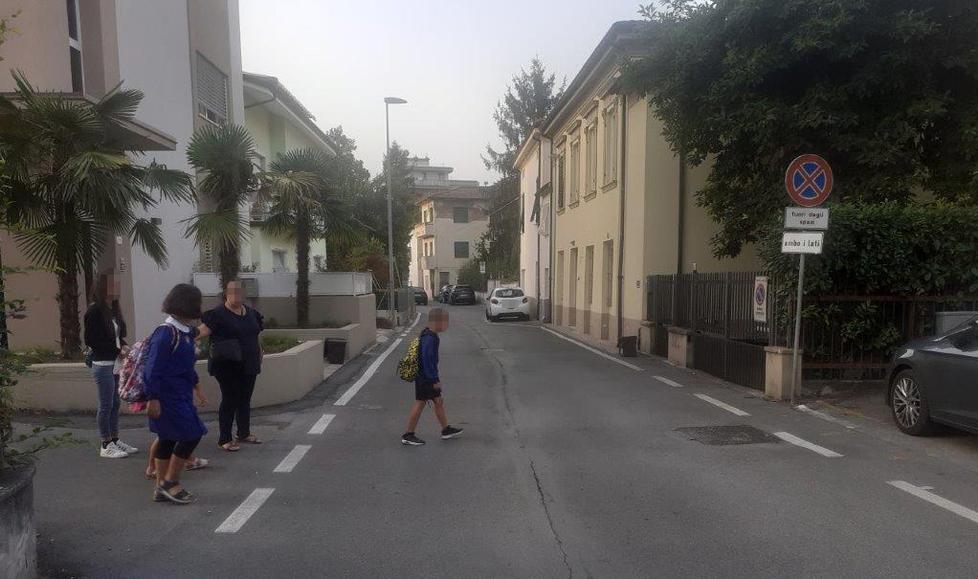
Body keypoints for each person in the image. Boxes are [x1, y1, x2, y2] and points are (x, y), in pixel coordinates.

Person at [145, 284, 207, 505]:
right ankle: (170, 481)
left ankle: (162, 485)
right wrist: (152, 397)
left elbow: (187, 363)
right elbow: (152, 368)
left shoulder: (184, 332)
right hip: (167, 397)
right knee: (192, 433)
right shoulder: (165, 334)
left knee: (168, 438)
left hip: (179, 395)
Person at [199, 279, 264, 452]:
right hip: (227, 365)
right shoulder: (217, 315)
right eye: (232, 291)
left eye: (239, 292)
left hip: (249, 362)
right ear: (225, 294)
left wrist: (259, 350)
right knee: (230, 399)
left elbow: (255, 333)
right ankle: (224, 438)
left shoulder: (251, 313)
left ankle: (243, 433)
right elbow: (201, 331)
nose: (236, 295)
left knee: (244, 398)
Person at [83, 271, 138, 459]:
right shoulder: (94, 310)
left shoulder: (113, 309)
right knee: (106, 404)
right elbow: (91, 340)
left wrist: (123, 345)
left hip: (115, 363)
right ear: (103, 287)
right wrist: (117, 351)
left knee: (115, 403)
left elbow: (117, 336)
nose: (117, 288)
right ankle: (105, 444)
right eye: (113, 284)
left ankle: (115, 439)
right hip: (102, 363)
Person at [401, 308, 463, 446]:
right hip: (426, 378)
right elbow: (428, 359)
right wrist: (434, 380)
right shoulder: (430, 338)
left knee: (438, 401)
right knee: (420, 403)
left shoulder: (427, 334)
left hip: (424, 376)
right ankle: (408, 434)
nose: (446, 325)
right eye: (445, 322)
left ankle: (445, 429)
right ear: (437, 322)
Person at [144, 384, 210, 479]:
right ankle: (158, 473)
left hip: (175, 397)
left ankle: (160, 474)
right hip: (170, 399)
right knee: (168, 437)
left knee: (169, 437)